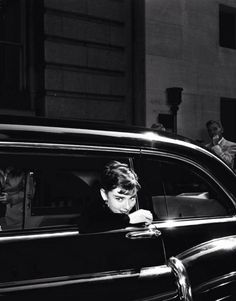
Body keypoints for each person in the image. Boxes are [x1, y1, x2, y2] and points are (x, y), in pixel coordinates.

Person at [79, 161, 153, 233]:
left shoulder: (140, 206)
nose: (127, 207)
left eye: (132, 198)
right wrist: (129, 219)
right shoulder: (93, 210)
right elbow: (86, 225)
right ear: (104, 195)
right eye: (119, 198)